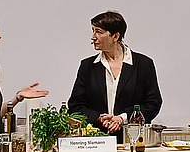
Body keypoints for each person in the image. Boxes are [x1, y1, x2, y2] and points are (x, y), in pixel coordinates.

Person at [68, 11, 162, 143]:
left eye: (99, 32)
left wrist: (122, 118)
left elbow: (153, 104)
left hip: (133, 140)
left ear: (115, 36)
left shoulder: (143, 64)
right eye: (93, 31)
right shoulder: (87, 66)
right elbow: (75, 106)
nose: (93, 37)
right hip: (96, 141)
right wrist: (99, 118)